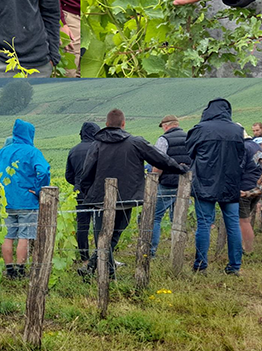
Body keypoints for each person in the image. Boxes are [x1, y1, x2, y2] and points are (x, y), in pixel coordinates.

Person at [77, 109, 186, 277]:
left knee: (103, 236)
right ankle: (104, 272)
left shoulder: (96, 145)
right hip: (127, 198)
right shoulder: (136, 142)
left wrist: (87, 192)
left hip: (100, 199)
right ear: (123, 124)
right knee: (114, 235)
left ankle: (96, 269)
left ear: (106, 125)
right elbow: (160, 159)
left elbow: (86, 172)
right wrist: (180, 169)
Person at [0, 119, 51, 279]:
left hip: (7, 202)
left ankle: (9, 270)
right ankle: (20, 270)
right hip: (27, 201)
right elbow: (44, 172)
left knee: (8, 236)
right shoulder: (33, 152)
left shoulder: (3, 151)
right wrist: (38, 189)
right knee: (24, 236)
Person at [186, 98, 246, 275]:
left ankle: (201, 265)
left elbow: (190, 151)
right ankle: (235, 266)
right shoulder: (237, 130)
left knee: (204, 224)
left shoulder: (200, 129)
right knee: (233, 225)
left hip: (205, 182)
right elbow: (242, 156)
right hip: (231, 184)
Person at [150, 115, 191, 257]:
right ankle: (178, 251)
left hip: (167, 184)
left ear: (166, 125)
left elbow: (158, 163)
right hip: (184, 185)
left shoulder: (164, 140)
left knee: (154, 217)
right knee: (178, 219)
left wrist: (154, 179)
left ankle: (151, 252)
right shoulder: (189, 138)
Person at [66, 121, 101, 261]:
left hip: (80, 193)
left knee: (82, 225)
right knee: (100, 225)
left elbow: (68, 175)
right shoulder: (99, 148)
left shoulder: (73, 150)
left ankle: (83, 256)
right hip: (98, 193)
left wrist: (78, 183)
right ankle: (101, 254)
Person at [238, 125, 262, 254]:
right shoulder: (256, 146)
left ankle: (248, 250)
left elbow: (239, 167)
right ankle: (247, 247)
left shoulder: (243, 147)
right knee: (247, 219)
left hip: (244, 187)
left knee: (243, 220)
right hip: (256, 186)